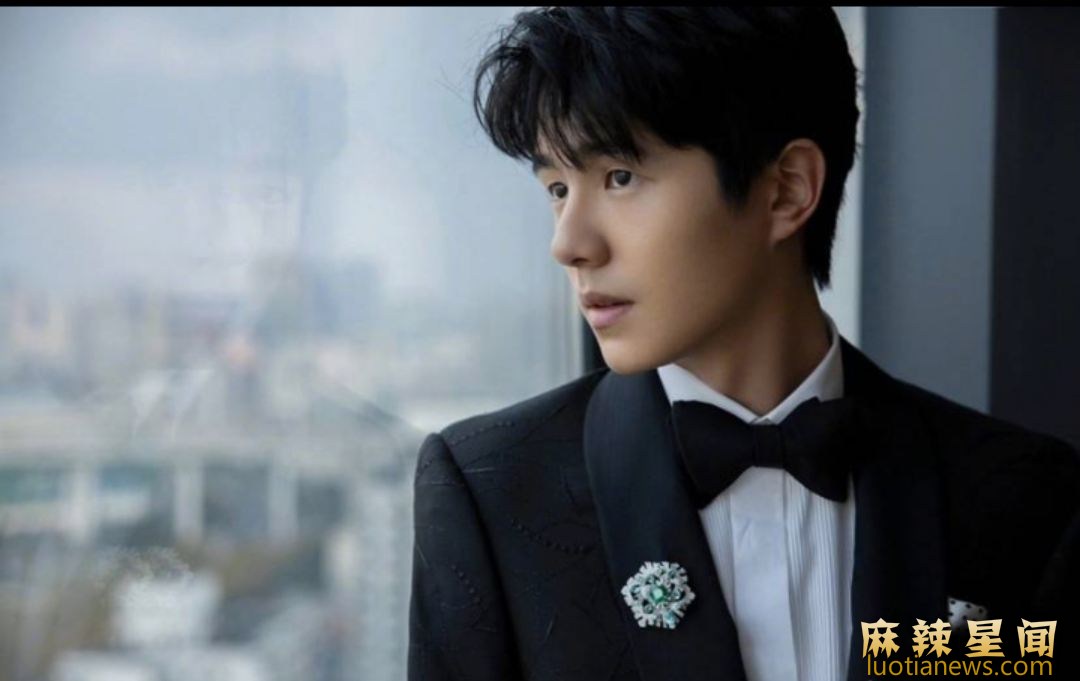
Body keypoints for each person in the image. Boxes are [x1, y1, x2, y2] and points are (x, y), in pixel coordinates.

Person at [407, 7, 1080, 681]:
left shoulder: (1026, 496)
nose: (569, 243)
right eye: (558, 188)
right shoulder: (492, 494)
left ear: (786, 190)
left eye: (620, 177)